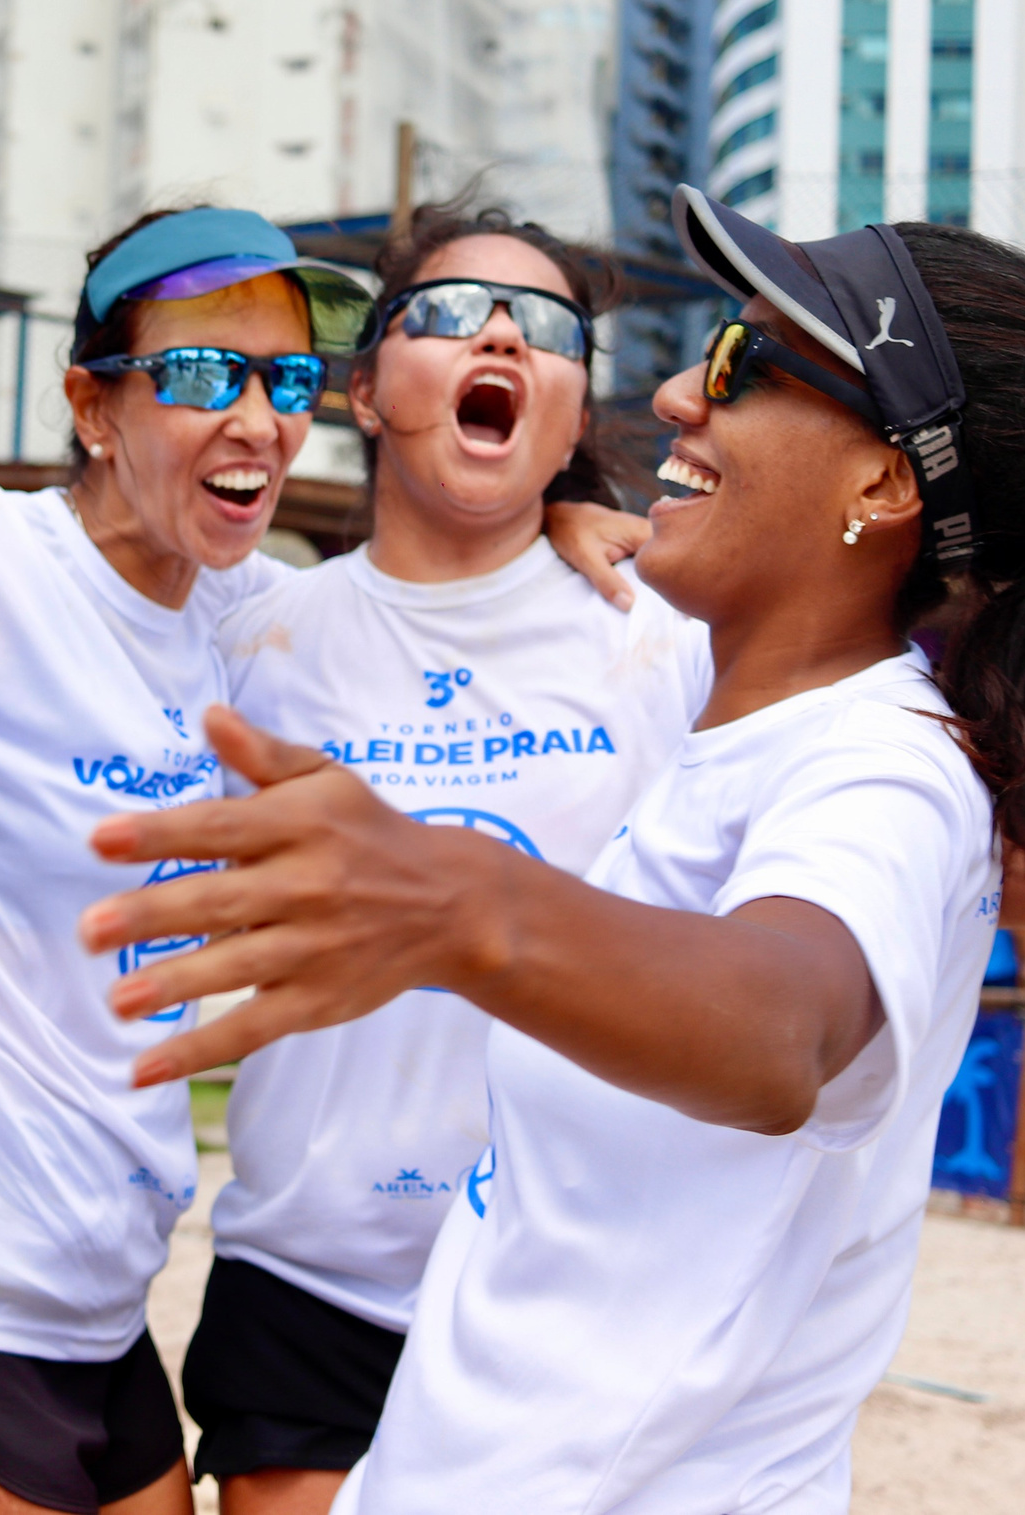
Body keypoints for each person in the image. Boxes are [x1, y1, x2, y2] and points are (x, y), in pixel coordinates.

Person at [77, 187, 1025, 1512]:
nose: (685, 399)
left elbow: (779, 1026)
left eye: (747, 364)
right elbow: (927, 882)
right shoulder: (765, 729)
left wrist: (458, 893)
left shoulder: (873, 759)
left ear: (884, 478)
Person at [0, 205, 636, 1515]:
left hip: (107, 1304)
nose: (256, 415)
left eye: (286, 378)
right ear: (92, 404)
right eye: (201, 373)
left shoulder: (252, 619)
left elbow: (436, 593)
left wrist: (575, 517)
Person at [185, 204, 699, 1515]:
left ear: (577, 417)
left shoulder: (661, 638)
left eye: (549, 326)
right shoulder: (254, 634)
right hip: (308, 1276)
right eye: (454, 310)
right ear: (363, 390)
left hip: (568, 1279)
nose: (506, 337)